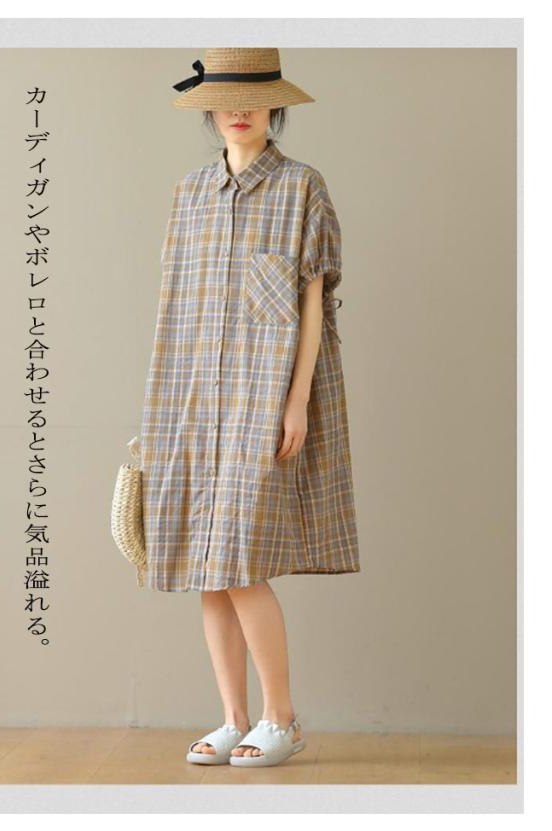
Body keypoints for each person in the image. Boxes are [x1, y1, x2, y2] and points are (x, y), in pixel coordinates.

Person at [139, 48, 361, 768]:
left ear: (275, 106)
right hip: (192, 398)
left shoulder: (302, 187)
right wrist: (163, 415)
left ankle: (281, 718)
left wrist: (297, 402)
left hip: (262, 398)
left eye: (253, 98)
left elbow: (313, 306)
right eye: (224, 99)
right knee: (206, 566)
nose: (238, 110)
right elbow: (176, 308)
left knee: (238, 559)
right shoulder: (189, 193)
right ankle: (234, 718)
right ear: (208, 110)